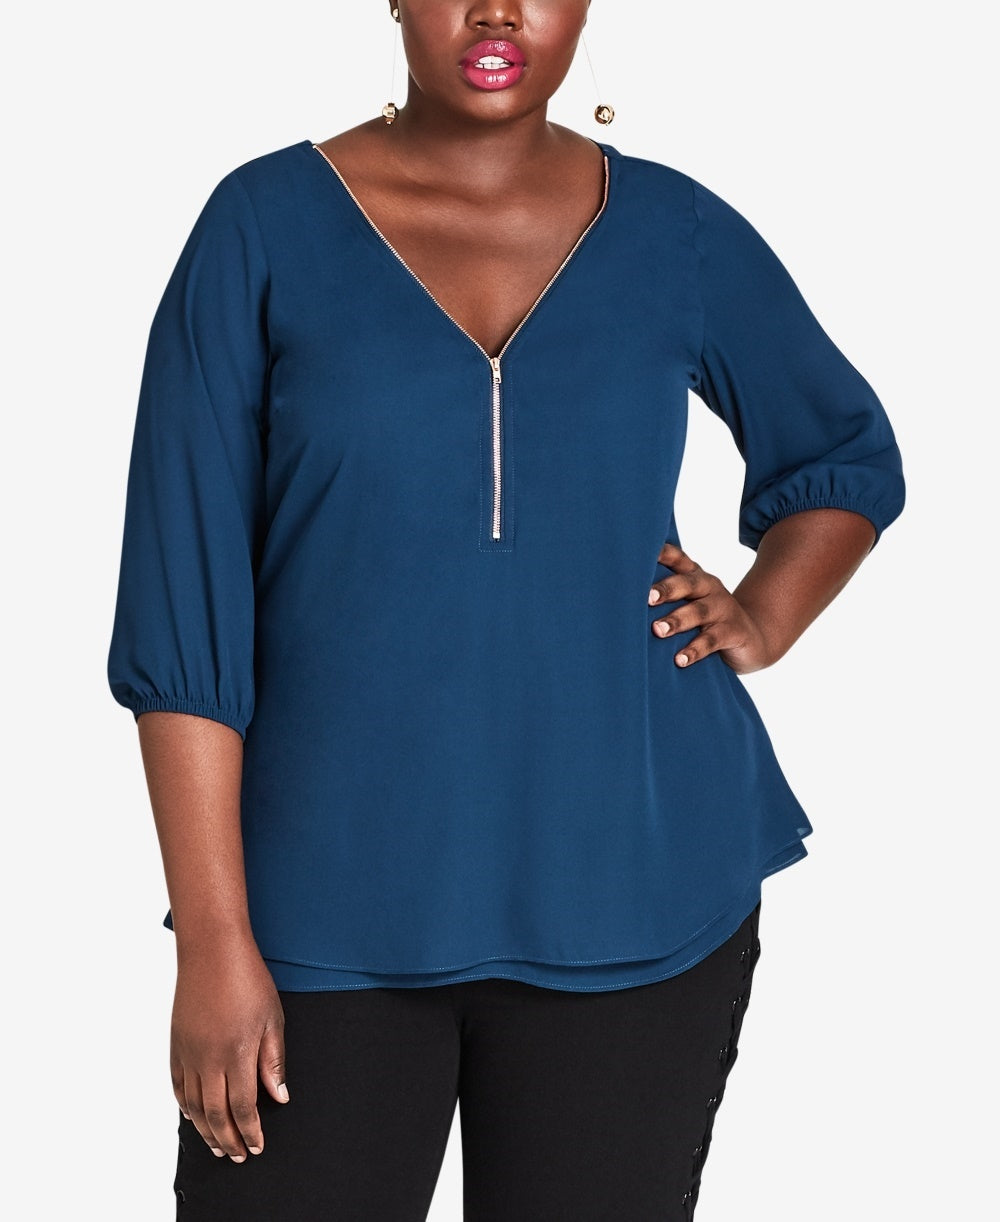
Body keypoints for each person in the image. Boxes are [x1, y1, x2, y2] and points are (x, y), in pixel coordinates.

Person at [106, 2, 905, 1217]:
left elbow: (841, 454)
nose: (496, 10)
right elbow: (184, 616)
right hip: (318, 916)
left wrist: (762, 613)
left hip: (638, 888)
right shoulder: (260, 228)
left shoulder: (674, 231)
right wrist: (214, 943)